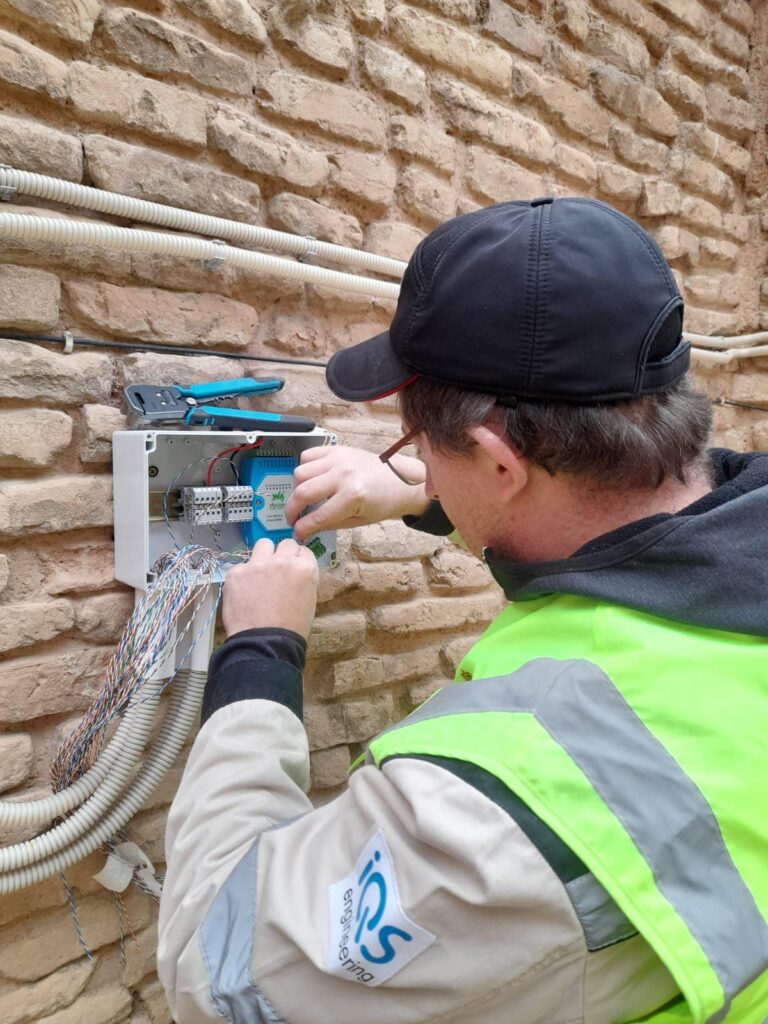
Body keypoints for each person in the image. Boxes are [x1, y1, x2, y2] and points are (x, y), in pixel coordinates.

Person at [157, 198, 768, 1024]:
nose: (421, 471)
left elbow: (218, 974)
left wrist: (260, 655)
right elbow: (615, 539)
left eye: (419, 451)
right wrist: (421, 494)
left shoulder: (500, 810)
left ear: (499, 463)